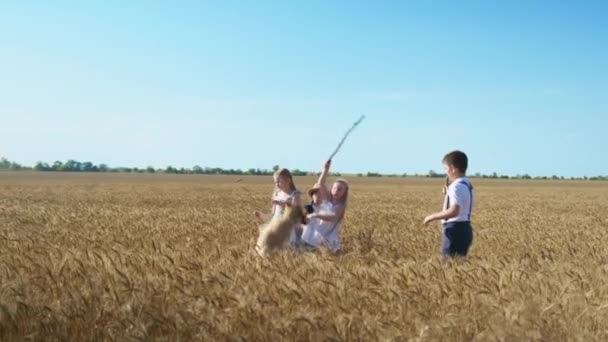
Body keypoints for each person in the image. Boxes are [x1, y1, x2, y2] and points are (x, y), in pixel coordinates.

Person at [424, 150, 474, 258]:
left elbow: (454, 211)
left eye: (446, 169)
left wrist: (432, 217)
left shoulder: (455, 187)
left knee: (448, 267)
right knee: (458, 265)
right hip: (466, 228)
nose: (446, 172)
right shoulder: (467, 184)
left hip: (454, 230)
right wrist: (448, 193)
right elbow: (462, 199)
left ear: (453, 169)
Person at [301, 160, 348, 254]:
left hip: (330, 238)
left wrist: (316, 215)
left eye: (340, 189)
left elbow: (333, 218)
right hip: (317, 235)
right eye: (334, 188)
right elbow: (321, 183)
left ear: (345, 192)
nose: (336, 191)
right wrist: (326, 169)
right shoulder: (327, 199)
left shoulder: (341, 206)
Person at [254, 168, 303, 245]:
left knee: (286, 247)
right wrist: (262, 215)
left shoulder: (295, 194)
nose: (277, 184)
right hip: (275, 226)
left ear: (288, 180)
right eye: (275, 182)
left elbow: (297, 212)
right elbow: (273, 214)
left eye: (279, 181)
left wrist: (284, 204)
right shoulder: (277, 195)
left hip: (288, 227)